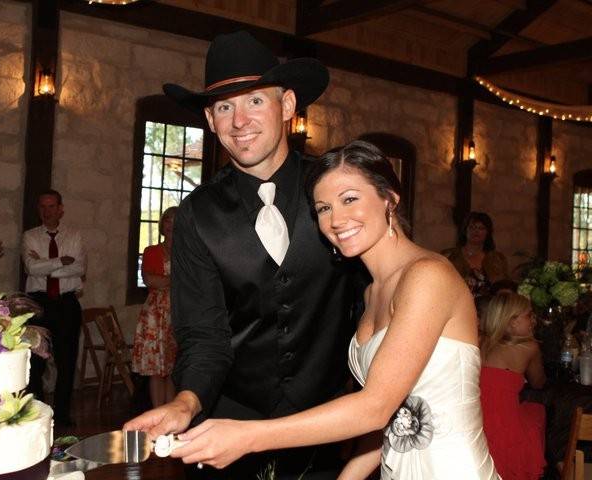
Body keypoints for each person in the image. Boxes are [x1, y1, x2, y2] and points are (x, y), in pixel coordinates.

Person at [163, 141, 499, 480]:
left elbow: (376, 407)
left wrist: (248, 436)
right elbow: (398, 413)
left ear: (390, 199)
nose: (336, 219)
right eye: (323, 208)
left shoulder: (428, 276)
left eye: (350, 199)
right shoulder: (372, 292)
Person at [124, 31, 366, 479]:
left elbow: (373, 300)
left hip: (322, 432)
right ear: (210, 121)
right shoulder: (197, 215)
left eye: (255, 101)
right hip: (225, 430)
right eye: (224, 107)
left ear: (288, 106)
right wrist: (185, 400)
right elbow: (203, 336)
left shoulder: (336, 189)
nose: (239, 121)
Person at [22, 189, 85, 427]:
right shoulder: (30, 236)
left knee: (66, 362)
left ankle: (62, 414)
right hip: (38, 304)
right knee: (36, 362)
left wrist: (44, 264)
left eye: (51, 206)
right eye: (43, 207)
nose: (47, 211)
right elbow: (31, 268)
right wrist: (61, 261)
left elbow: (79, 268)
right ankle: (37, 412)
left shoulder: (75, 235)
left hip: (66, 303)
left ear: (61, 209)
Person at [479, 291, 546, 480]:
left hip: (477, 421)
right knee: (538, 414)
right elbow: (538, 382)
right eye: (529, 315)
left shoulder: (478, 342)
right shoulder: (529, 348)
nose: (534, 320)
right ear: (511, 321)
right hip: (506, 426)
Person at [132, 206, 178, 408]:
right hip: (156, 315)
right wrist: (177, 279)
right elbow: (151, 281)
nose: (171, 225)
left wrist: (166, 280)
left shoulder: (189, 252)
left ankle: (171, 412)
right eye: (168, 220)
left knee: (173, 369)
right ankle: (158, 412)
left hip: (179, 312)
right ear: (162, 224)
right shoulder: (152, 251)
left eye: (176, 220)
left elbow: (194, 281)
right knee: (156, 369)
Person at [443, 212, 508, 298]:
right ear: (465, 230)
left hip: (489, 307)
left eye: (481, 228)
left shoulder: (497, 259)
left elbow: (504, 287)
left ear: (488, 233)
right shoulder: (449, 256)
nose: (476, 231)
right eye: (472, 227)